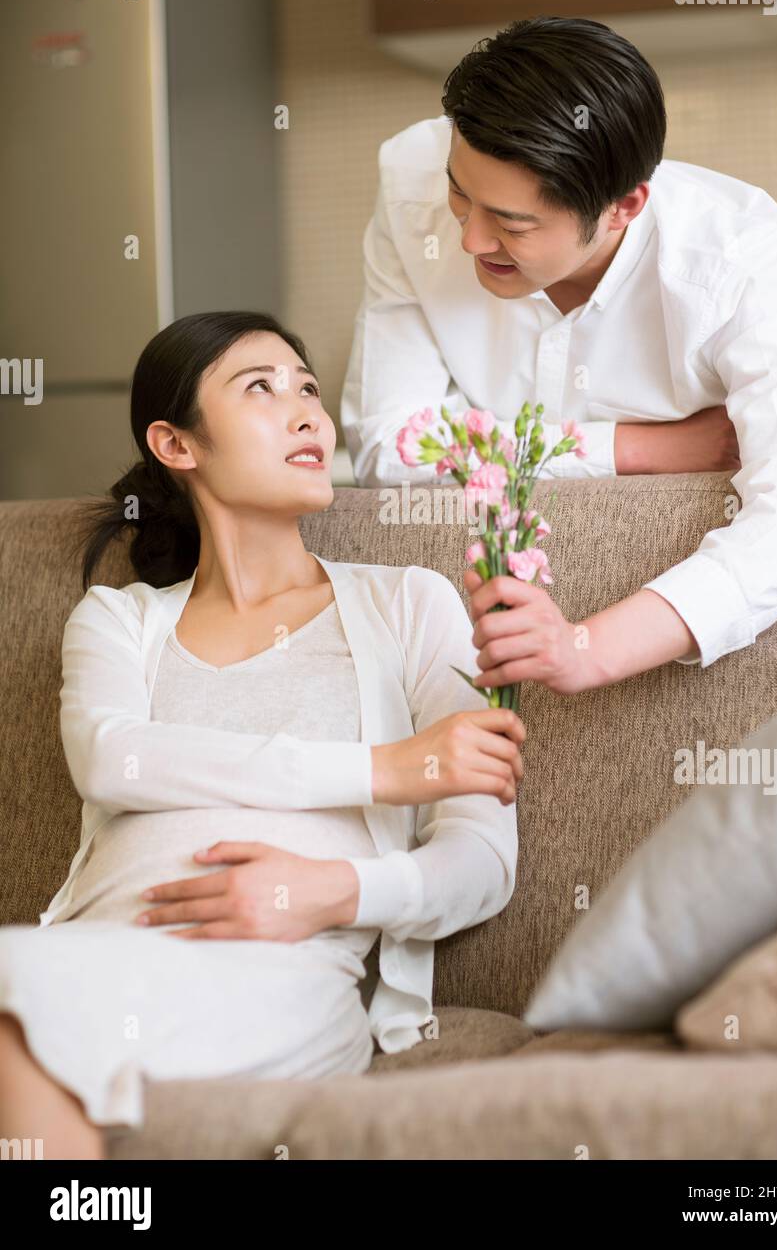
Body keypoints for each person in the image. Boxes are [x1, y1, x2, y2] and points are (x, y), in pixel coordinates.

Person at [0, 311, 523, 1159]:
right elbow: (112, 759)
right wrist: (383, 769)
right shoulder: (121, 621)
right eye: (262, 388)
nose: (307, 411)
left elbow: (481, 863)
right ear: (176, 444)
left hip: (274, 973)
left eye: (309, 388)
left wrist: (335, 891)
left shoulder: (408, 604)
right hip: (96, 949)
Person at [341, 14, 777, 681]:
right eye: (459, 193)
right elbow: (387, 444)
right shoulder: (409, 177)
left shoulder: (733, 258)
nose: (470, 240)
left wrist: (589, 651)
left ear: (623, 206)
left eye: (511, 223)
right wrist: (638, 447)